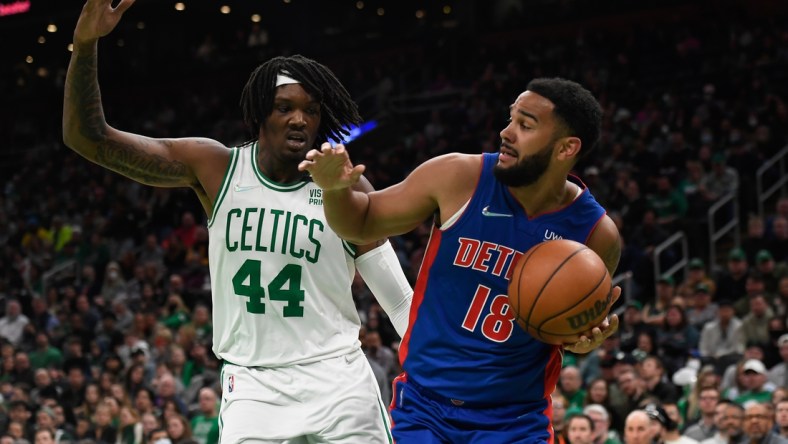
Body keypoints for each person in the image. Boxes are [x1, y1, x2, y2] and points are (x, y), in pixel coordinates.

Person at [62, 1, 413, 442]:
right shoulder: (217, 169)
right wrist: (86, 45)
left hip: (338, 378)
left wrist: (437, 370)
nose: (299, 118)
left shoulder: (346, 188)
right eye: (285, 107)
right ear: (259, 113)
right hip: (252, 386)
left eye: (311, 108)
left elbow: (399, 300)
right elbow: (87, 138)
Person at [302, 77, 621, 441]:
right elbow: (360, 224)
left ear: (567, 148)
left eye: (525, 125)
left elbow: (567, 328)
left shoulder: (596, 233)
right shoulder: (459, 176)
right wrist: (335, 190)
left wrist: (580, 339)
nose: (506, 132)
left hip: (515, 421)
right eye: (511, 119)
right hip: (425, 409)